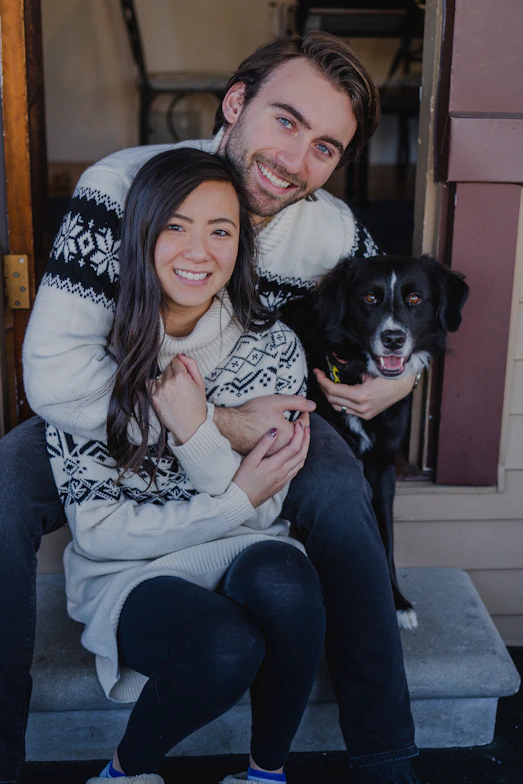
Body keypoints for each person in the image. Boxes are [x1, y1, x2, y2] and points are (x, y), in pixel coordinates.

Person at [1, 31, 420, 784]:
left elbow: (388, 303)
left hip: (251, 403)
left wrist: (402, 377)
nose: (295, 162)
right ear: (236, 103)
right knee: (2, 487)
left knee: (335, 489)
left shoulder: (326, 230)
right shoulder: (121, 189)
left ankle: (385, 754)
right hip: (109, 403)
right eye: (285, 122)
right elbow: (58, 381)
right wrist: (211, 423)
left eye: (325, 147)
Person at [44, 147, 325, 784]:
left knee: (286, 575)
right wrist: (231, 496)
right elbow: (99, 532)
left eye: (220, 231)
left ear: (240, 247)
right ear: (140, 233)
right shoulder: (90, 364)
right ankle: (123, 772)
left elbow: (270, 503)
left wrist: (196, 429)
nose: (198, 251)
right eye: (175, 225)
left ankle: (264, 775)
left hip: (244, 551)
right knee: (227, 642)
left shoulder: (272, 347)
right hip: (127, 574)